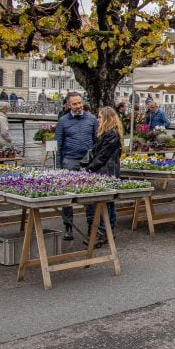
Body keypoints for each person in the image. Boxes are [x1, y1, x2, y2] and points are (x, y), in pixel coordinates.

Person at [54, 92, 98, 241]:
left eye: (80, 103)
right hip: (70, 160)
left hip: (88, 162)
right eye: (75, 104)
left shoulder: (92, 119)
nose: (78, 106)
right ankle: (68, 227)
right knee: (68, 196)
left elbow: (96, 142)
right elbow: (58, 145)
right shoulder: (63, 121)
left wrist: (95, 162)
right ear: (68, 105)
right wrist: (59, 166)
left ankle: (91, 226)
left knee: (90, 195)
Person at [83, 106, 122, 248]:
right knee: (108, 203)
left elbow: (102, 156)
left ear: (106, 118)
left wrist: (89, 168)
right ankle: (107, 232)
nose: (98, 120)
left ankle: (102, 233)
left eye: (100, 117)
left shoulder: (110, 134)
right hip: (109, 171)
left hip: (106, 172)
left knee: (103, 204)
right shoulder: (110, 133)